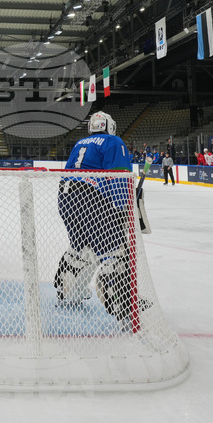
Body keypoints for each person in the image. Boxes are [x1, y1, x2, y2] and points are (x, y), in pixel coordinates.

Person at [54, 111, 137, 323]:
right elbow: (118, 175)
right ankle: (120, 304)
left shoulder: (80, 142)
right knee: (114, 251)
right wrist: (121, 208)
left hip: (66, 197)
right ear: (109, 125)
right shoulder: (113, 141)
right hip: (90, 198)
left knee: (81, 248)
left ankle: (66, 292)